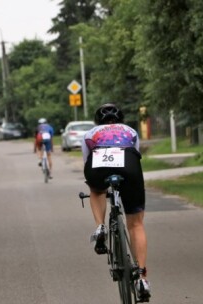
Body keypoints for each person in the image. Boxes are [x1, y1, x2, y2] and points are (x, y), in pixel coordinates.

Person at [81, 103, 151, 301]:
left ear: (98, 121)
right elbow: (136, 156)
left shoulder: (90, 133)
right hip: (129, 164)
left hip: (98, 162)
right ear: (120, 119)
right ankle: (142, 278)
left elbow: (86, 160)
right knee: (136, 224)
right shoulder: (130, 130)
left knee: (96, 189)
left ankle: (100, 227)